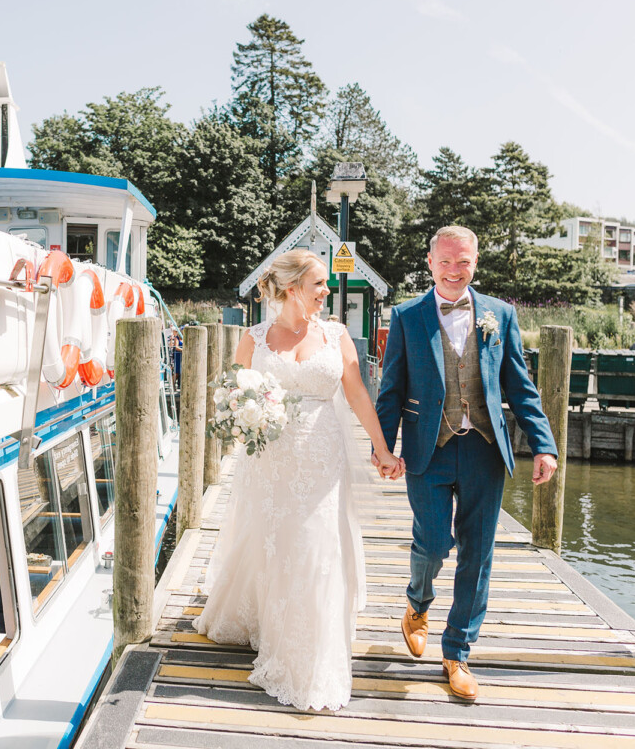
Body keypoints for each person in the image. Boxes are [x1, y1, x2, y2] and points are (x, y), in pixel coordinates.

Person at [194, 249, 403, 712]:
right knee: (275, 540)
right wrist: (246, 416)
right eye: (318, 284)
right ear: (292, 289)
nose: (326, 292)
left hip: (323, 457)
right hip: (271, 459)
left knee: (316, 545)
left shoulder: (336, 335)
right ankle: (268, 617)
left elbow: (357, 393)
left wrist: (383, 449)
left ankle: (308, 654)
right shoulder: (254, 338)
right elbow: (233, 395)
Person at [375, 225, 558, 701]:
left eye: (463, 261)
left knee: (477, 554)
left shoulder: (501, 314)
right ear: (430, 262)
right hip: (427, 448)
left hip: (484, 449)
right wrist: (383, 447)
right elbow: (391, 389)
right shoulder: (407, 315)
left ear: (475, 262)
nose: (454, 270)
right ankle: (417, 603)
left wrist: (544, 445)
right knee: (435, 542)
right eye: (445, 261)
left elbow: (520, 386)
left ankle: (457, 652)